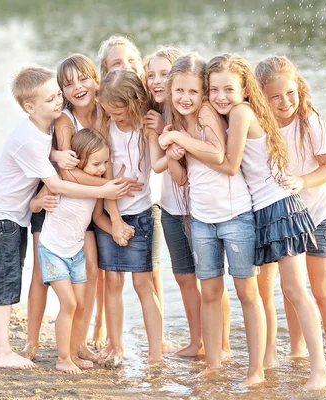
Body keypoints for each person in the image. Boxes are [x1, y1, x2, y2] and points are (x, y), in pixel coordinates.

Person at [0, 65, 131, 370]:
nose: (58, 102)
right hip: (3, 215)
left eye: (58, 96)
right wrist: (106, 188)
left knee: (3, 274)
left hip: (13, 215)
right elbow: (56, 184)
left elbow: (48, 155)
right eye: (50, 99)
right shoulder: (30, 137)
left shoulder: (43, 130)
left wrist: (56, 156)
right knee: (6, 279)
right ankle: (1, 351)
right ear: (30, 106)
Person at [202, 53, 326, 390]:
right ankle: (269, 360)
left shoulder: (242, 113)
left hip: (279, 207)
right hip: (259, 210)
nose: (220, 97)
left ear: (246, 90)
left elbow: (230, 164)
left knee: (294, 291)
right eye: (213, 90)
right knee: (263, 292)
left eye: (228, 89)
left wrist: (180, 140)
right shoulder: (237, 113)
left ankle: (321, 368)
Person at [158, 54, 263, 386]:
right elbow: (181, 178)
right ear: (170, 90)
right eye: (179, 92)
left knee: (247, 293)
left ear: (201, 92)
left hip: (235, 217)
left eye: (192, 91)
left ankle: (256, 370)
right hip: (201, 219)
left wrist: (179, 142)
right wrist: (172, 152)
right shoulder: (176, 121)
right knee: (210, 292)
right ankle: (214, 365)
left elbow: (220, 155)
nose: (186, 98)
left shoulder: (206, 113)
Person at [255, 55, 326, 369]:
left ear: (299, 89)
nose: (285, 102)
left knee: (321, 289)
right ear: (261, 97)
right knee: (291, 289)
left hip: (319, 211)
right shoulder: (257, 125)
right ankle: (297, 353)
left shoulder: (310, 120)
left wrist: (301, 181)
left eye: (290, 93)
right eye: (275, 96)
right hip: (284, 220)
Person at [143, 46, 232, 357]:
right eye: (152, 75)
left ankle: (222, 344)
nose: (158, 81)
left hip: (201, 210)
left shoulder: (199, 113)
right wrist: (163, 140)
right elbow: (164, 168)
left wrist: (174, 143)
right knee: (183, 276)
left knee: (210, 280)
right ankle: (197, 342)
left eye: (164, 74)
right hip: (170, 207)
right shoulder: (160, 117)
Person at [94, 69, 163, 368]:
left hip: (143, 212)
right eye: (108, 111)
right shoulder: (107, 129)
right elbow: (108, 176)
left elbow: (155, 164)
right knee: (112, 281)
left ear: (134, 102)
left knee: (143, 285)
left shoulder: (145, 128)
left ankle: (155, 354)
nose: (114, 116)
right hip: (114, 212)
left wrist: (158, 132)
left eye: (118, 111)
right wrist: (116, 219)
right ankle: (116, 345)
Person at [30, 128, 112, 374]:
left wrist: (117, 229)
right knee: (69, 302)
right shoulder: (60, 182)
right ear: (80, 161)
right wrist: (41, 202)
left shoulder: (97, 190)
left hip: (76, 253)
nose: (102, 168)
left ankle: (74, 352)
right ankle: (62, 358)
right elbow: (33, 206)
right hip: (52, 250)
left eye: (106, 163)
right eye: (96, 163)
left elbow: (96, 217)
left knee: (82, 305)